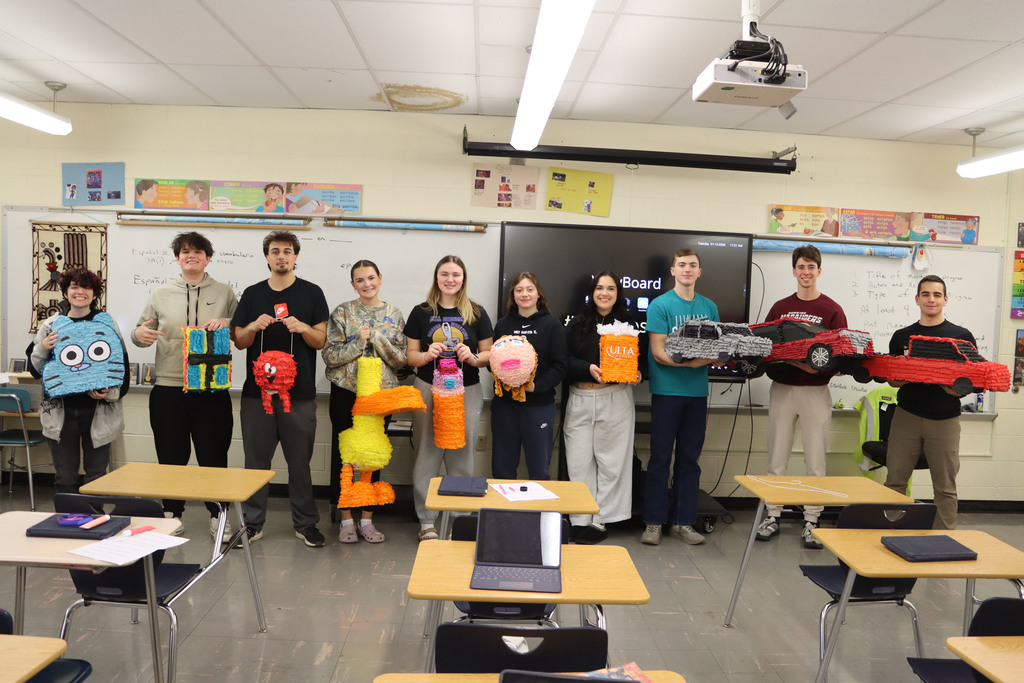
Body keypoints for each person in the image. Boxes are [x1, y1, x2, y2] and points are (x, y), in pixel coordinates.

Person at [132, 231, 237, 541]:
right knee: (170, 455)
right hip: (168, 387)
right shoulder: (160, 293)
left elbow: (241, 328)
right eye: (185, 252)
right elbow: (140, 332)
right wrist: (138, 335)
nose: (192, 256)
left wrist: (228, 323)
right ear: (177, 258)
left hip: (211, 388)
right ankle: (171, 513)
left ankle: (218, 515)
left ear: (208, 258)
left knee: (213, 456)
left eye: (198, 252)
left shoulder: (224, 292)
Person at [231, 230, 329, 547]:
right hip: (256, 396)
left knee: (299, 464)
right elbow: (240, 341)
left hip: (298, 396)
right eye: (275, 251)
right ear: (267, 257)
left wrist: (303, 328)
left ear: (295, 256)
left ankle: (306, 524)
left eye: (287, 251)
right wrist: (251, 326)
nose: (281, 256)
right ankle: (251, 524)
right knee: (255, 463)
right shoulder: (252, 294)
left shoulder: (312, 293)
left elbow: (321, 340)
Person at [756, 245, 847, 549]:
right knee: (776, 457)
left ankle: (812, 520)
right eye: (801, 267)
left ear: (819, 271)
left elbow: (842, 355)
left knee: (815, 460)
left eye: (811, 267)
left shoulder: (832, 309)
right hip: (783, 390)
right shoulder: (780, 307)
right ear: (793, 271)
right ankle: (772, 515)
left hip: (815, 392)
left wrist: (814, 369)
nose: (805, 272)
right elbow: (765, 346)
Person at [405, 255, 493, 541]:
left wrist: (473, 357)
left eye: (456, 274)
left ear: (463, 278)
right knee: (427, 453)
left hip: (466, 390)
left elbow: (489, 354)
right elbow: (410, 356)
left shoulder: (476, 312)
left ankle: (458, 519)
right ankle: (426, 521)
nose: (450, 279)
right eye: (445, 274)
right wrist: (426, 355)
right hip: (428, 388)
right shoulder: (420, 312)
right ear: (436, 277)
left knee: (462, 454)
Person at [322, 260, 407, 544]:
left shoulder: (394, 314)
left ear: (380, 278)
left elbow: (401, 359)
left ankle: (367, 519)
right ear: (353, 284)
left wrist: (379, 339)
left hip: (379, 395)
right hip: (346, 391)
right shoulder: (342, 312)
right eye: (360, 280)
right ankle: (346, 519)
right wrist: (359, 342)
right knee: (345, 455)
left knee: (373, 454)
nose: (366, 284)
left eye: (371, 278)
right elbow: (330, 356)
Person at [28, 268, 129, 495]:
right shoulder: (52, 324)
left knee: (97, 475)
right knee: (65, 476)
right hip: (61, 413)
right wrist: (43, 347)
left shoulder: (106, 323)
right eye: (74, 287)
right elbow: (34, 370)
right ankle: (67, 516)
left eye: (86, 287)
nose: (80, 292)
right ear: (66, 292)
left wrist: (109, 393)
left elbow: (122, 369)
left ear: (94, 294)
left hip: (99, 412)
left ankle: (95, 516)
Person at [884, 275, 974, 530]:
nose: (931, 299)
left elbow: (969, 383)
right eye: (925, 294)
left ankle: (943, 538)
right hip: (906, 417)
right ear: (917, 299)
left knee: (945, 487)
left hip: (945, 420)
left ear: (945, 300)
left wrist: (948, 385)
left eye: (936, 295)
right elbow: (892, 381)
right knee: (895, 482)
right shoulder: (902, 336)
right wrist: (909, 374)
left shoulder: (961, 336)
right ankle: (889, 533)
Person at [642, 249, 718, 546]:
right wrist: (691, 364)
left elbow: (715, 350)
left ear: (699, 272)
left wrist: (701, 361)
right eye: (682, 265)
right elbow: (659, 352)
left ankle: (683, 523)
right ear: (673, 270)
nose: (687, 269)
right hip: (666, 392)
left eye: (692, 265)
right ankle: (653, 522)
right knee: (660, 458)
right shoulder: (660, 305)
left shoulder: (709, 307)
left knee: (689, 460)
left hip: (697, 394)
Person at [563, 271, 639, 544]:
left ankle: (600, 521)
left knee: (611, 463)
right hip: (580, 398)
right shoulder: (576, 323)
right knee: (578, 463)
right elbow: (563, 360)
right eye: (599, 288)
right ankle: (579, 518)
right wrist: (587, 368)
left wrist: (638, 373)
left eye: (610, 288)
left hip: (615, 398)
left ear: (618, 293)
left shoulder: (630, 324)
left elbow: (641, 361)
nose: (604, 293)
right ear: (591, 292)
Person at [490, 272, 567, 480]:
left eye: (530, 289)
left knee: (539, 469)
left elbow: (561, 366)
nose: (525, 294)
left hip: (539, 406)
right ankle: (503, 503)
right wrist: (505, 377)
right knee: (502, 469)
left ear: (538, 294)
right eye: (519, 290)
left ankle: (538, 503)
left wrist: (537, 386)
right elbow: (493, 362)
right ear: (513, 295)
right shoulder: (503, 325)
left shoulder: (552, 325)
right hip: (505, 407)